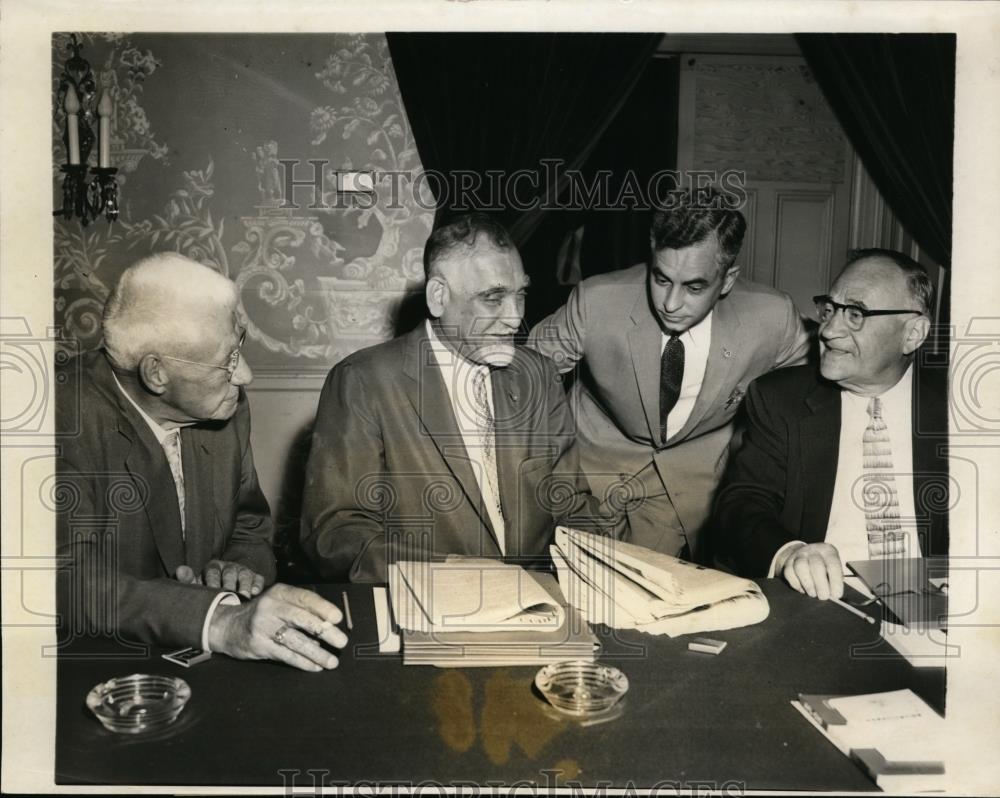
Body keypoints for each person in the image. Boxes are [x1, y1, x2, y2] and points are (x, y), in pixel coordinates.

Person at [56, 253, 347, 672]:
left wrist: (239, 570)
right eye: (227, 361)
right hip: (95, 668)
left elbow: (249, 525)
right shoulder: (55, 419)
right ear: (156, 373)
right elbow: (63, 583)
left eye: (239, 347)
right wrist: (220, 619)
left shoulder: (221, 406)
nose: (245, 375)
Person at [302, 213, 603, 582]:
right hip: (428, 606)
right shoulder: (363, 382)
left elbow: (571, 504)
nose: (515, 318)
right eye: (493, 298)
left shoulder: (537, 375)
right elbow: (336, 533)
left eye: (520, 294)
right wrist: (447, 574)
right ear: (438, 297)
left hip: (543, 601)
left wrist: (616, 569)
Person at [528, 190, 809, 559]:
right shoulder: (597, 300)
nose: (671, 304)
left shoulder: (772, 317)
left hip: (686, 491)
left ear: (727, 281)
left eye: (694, 287)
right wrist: (551, 460)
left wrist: (744, 448)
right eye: (661, 279)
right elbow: (524, 376)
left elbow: (803, 402)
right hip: (588, 473)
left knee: (654, 604)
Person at [712, 249, 948, 600]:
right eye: (830, 309)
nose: (829, 330)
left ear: (913, 333)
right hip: (824, 600)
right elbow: (742, 503)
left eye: (856, 314)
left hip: (934, 603)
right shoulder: (780, 400)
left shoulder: (962, 412)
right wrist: (789, 553)